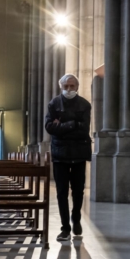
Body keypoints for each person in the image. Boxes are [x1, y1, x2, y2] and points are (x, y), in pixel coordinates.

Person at [45, 74, 92, 241]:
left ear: (77, 87)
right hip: (60, 154)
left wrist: (63, 125)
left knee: (78, 191)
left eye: (72, 86)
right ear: (61, 87)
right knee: (61, 192)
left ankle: (76, 218)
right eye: (66, 86)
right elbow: (50, 127)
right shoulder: (54, 104)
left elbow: (84, 129)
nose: (69, 89)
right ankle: (65, 227)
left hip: (79, 153)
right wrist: (73, 124)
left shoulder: (85, 104)